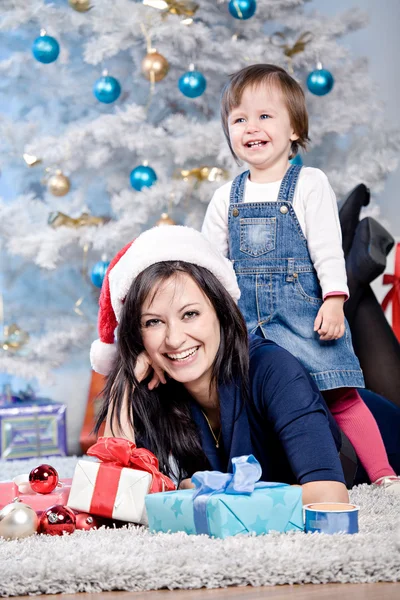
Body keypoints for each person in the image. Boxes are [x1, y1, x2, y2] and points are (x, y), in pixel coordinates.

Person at [201, 63, 400, 491]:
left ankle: (383, 473)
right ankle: (253, 475)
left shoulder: (309, 184)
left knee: (339, 395)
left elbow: (326, 250)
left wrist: (333, 300)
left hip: (303, 313)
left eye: (265, 116)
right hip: (245, 323)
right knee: (249, 397)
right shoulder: (225, 197)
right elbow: (211, 266)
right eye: (239, 119)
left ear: (294, 128)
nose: (250, 127)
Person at [91, 225, 349, 504]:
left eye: (190, 314)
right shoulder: (155, 386)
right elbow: (112, 497)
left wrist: (214, 491)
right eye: (153, 322)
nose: (175, 339)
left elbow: (330, 495)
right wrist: (126, 382)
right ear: (137, 334)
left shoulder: (273, 368)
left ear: (221, 312)